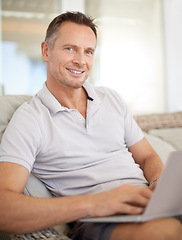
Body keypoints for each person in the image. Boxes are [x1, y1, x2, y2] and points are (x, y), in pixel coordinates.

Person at [0, 11, 181, 240]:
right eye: (70, 49)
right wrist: (98, 203)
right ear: (46, 51)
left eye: (88, 51)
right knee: (165, 232)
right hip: (101, 219)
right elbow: (3, 208)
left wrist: (159, 186)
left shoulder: (111, 99)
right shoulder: (30, 119)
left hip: (146, 202)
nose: (80, 60)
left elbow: (146, 158)